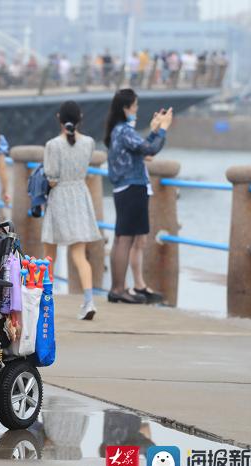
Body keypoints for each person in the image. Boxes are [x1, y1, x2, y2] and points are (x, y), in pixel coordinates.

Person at [104, 88, 172, 304]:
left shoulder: (117, 130)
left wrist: (153, 131)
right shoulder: (124, 130)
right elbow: (151, 150)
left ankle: (117, 288)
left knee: (120, 239)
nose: (136, 109)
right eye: (134, 106)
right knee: (126, 239)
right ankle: (119, 289)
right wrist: (163, 129)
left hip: (122, 189)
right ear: (126, 108)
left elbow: (141, 148)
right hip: (133, 188)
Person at [42, 101, 102, 320]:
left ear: (59, 117)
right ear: (80, 118)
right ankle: (88, 301)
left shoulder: (53, 145)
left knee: (50, 254)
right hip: (79, 194)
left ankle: (45, 301)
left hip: (59, 197)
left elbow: (52, 178)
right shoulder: (89, 142)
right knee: (79, 253)